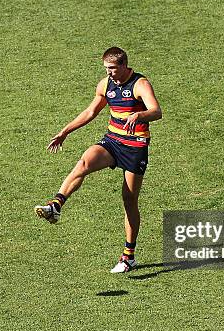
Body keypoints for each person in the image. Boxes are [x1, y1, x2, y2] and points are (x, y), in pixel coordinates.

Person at [34, 47, 162, 273]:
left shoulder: (140, 84)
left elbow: (156, 111)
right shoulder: (105, 85)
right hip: (112, 141)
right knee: (83, 163)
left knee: (129, 200)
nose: (109, 73)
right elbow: (91, 111)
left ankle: (128, 256)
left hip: (135, 147)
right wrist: (65, 131)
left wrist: (139, 115)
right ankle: (55, 206)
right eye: (106, 69)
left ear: (124, 65)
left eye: (112, 69)